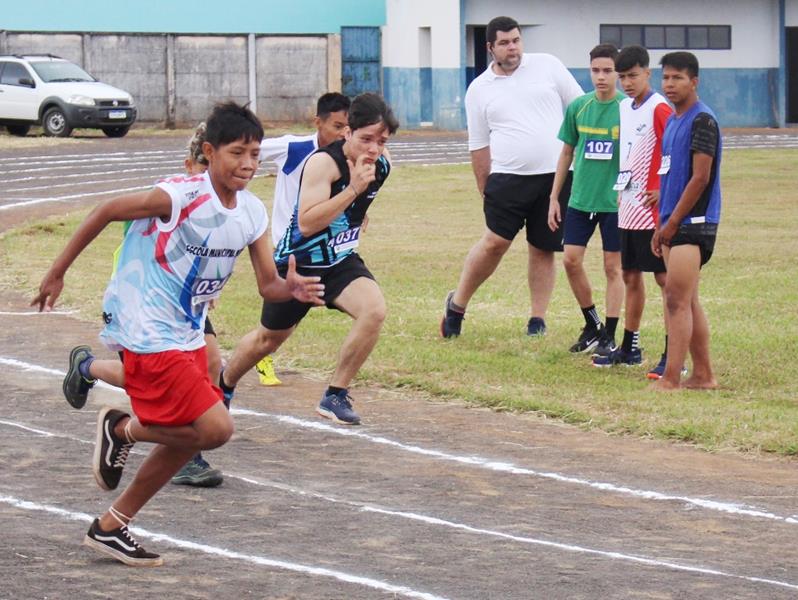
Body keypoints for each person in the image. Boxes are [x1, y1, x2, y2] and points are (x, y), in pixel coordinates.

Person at [32, 101, 324, 566]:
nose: (248, 163)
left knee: (193, 434)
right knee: (215, 427)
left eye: (254, 153)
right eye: (236, 153)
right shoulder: (180, 195)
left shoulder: (251, 212)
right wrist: (57, 272)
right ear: (209, 152)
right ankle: (122, 429)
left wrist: (291, 288)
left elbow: (268, 282)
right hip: (145, 326)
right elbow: (107, 210)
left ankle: (112, 521)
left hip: (186, 331)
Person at [61, 123, 228, 488]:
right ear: (190, 165)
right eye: (203, 170)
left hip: (182, 312)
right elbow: (134, 246)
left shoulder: (218, 207)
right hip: (144, 310)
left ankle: (186, 443)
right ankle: (180, 446)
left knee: (206, 365)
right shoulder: (167, 200)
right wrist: (58, 272)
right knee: (152, 379)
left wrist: (205, 285)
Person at [217, 93, 398, 426]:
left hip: (340, 261)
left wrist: (357, 217)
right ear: (347, 133)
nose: (373, 148)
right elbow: (308, 222)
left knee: (374, 310)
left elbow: (359, 209)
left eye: (381, 140)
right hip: (299, 265)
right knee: (267, 340)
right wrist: (352, 191)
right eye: (366, 139)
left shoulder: (381, 163)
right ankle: (223, 385)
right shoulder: (323, 163)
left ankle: (335, 394)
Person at [441, 15, 583, 338]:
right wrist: (485, 187)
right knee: (494, 244)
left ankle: (537, 319)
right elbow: (478, 145)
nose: (512, 48)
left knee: (542, 248)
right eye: (504, 43)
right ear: (491, 47)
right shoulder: (478, 89)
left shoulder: (548, 66)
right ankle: (457, 306)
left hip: (554, 178)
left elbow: (579, 109)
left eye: (516, 40)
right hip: (507, 180)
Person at [254, 92, 351, 386]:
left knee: (298, 310)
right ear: (317, 122)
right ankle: (261, 355)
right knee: (285, 314)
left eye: (347, 127)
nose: (342, 134)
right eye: (336, 126)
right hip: (290, 248)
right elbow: (250, 149)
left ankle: (264, 350)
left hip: (325, 248)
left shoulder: (346, 156)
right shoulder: (293, 147)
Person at [592, 45, 674, 372]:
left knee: (664, 280)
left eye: (632, 75)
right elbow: (629, 153)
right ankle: (630, 346)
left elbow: (674, 149)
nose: (626, 82)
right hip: (628, 205)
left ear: (647, 74)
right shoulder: (626, 108)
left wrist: (662, 187)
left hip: (652, 210)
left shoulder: (659, 108)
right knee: (629, 275)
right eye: (622, 76)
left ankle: (673, 352)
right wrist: (622, 191)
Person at [651, 51, 722, 391]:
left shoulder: (701, 120)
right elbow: (669, 176)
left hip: (693, 222)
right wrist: (660, 223)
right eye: (665, 77)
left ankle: (670, 380)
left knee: (676, 299)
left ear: (694, 81)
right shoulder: (674, 122)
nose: (669, 84)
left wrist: (674, 222)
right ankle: (703, 375)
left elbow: (700, 178)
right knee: (688, 299)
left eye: (677, 78)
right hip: (673, 221)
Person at [548, 44, 624, 356]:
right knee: (570, 260)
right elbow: (566, 152)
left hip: (615, 204)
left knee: (612, 268)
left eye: (607, 70)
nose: (601, 77)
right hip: (580, 200)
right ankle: (592, 323)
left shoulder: (627, 108)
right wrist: (554, 197)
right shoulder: (578, 107)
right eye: (596, 70)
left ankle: (611, 332)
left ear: (618, 72)